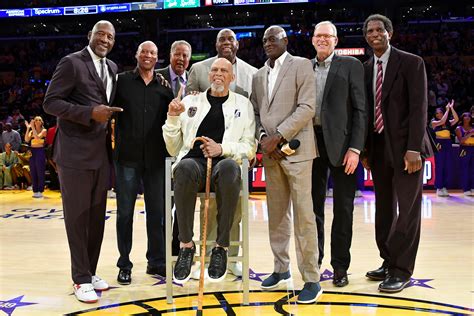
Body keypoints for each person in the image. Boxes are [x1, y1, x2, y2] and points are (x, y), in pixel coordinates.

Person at [43, 20, 121, 303]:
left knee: (97, 218)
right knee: (77, 218)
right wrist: (90, 112)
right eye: (100, 34)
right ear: (90, 36)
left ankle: (90, 270)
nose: (105, 39)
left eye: (110, 36)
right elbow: (50, 103)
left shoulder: (112, 68)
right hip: (74, 154)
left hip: (101, 154)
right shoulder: (71, 63)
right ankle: (80, 279)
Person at [163, 57, 256, 284]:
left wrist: (221, 148)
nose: (218, 74)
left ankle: (221, 247)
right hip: (194, 163)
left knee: (230, 168)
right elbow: (173, 147)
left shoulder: (243, 104)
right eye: (214, 69)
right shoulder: (191, 102)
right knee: (183, 167)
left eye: (224, 71)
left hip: (224, 163)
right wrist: (172, 118)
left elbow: (249, 147)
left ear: (232, 77)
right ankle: (186, 245)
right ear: (208, 75)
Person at [361, 14, 434, 293]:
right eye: (370, 30)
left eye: (380, 29)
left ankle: (402, 270)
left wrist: (414, 148)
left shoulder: (412, 62)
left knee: (408, 211)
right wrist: (366, 149)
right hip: (378, 148)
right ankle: (388, 259)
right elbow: (367, 113)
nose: (375, 34)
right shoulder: (366, 68)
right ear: (366, 36)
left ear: (390, 33)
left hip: (407, 150)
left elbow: (420, 108)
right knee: (383, 209)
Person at [251, 25, 322, 304]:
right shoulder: (258, 75)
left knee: (304, 216)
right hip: (270, 153)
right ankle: (281, 269)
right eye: (265, 39)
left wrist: (279, 137)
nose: (268, 43)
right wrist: (263, 138)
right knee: (277, 215)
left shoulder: (302, 65)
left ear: (285, 41)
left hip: (297, 151)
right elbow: (255, 112)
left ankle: (312, 279)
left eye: (273, 38)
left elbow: (307, 107)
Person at [187, 28, 257, 277]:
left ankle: (232, 257)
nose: (226, 42)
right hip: (204, 154)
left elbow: (253, 114)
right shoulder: (198, 69)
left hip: (236, 152)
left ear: (237, 44)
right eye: (221, 39)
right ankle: (205, 259)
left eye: (231, 39)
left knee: (234, 206)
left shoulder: (252, 73)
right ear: (215, 44)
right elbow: (190, 112)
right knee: (207, 206)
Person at [310, 21, 367, 287]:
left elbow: (360, 110)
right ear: (312, 40)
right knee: (312, 210)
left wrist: (355, 148)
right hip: (310, 145)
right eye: (318, 36)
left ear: (336, 40)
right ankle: (314, 263)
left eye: (327, 36)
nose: (322, 39)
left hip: (344, 147)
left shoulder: (351, 66)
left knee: (343, 210)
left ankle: (340, 267)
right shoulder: (304, 67)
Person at [113, 41, 174, 285]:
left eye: (152, 53)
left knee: (157, 214)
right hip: (127, 157)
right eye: (144, 52)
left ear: (157, 58)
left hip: (156, 159)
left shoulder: (164, 88)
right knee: (125, 214)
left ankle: (156, 262)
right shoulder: (122, 81)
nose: (148, 55)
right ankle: (124, 264)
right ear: (136, 55)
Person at [157, 40, 192, 256]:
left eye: (185, 56)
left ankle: (179, 247)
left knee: (183, 203)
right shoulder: (157, 76)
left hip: (183, 151)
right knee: (162, 205)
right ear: (170, 55)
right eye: (177, 54)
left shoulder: (194, 82)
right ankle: (161, 251)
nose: (181, 59)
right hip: (159, 149)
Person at [430, 100, 459, 197]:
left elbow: (456, 118)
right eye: (437, 113)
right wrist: (447, 110)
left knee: (447, 166)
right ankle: (439, 187)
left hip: (448, 143)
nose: (439, 114)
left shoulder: (448, 123)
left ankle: (444, 187)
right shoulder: (434, 122)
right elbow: (442, 121)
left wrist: (451, 108)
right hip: (439, 144)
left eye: (440, 112)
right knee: (440, 166)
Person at [24, 116, 47, 198]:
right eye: (36, 120)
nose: (37, 121)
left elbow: (37, 137)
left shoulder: (44, 130)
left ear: (41, 122)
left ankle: (40, 190)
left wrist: (32, 128)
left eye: (39, 120)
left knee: (40, 170)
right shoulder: (31, 130)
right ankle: (35, 190)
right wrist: (28, 128)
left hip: (40, 151)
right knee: (33, 171)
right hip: (32, 151)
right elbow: (26, 140)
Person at [455, 113, 474, 196]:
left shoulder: (473, 127)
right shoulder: (459, 128)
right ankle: (466, 189)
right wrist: (470, 133)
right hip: (464, 149)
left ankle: (472, 188)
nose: (467, 118)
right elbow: (461, 140)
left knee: (472, 170)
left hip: (473, 148)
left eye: (468, 116)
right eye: (465, 116)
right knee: (465, 169)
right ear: (462, 118)